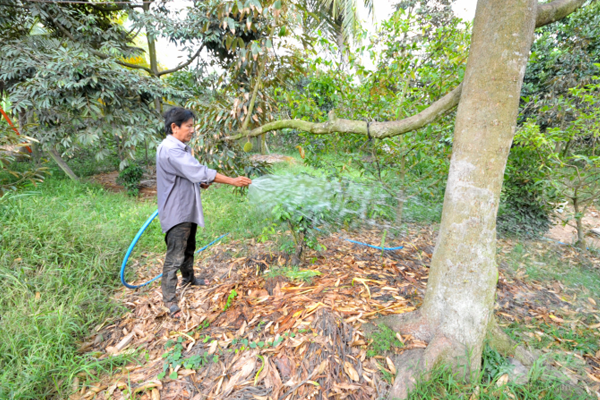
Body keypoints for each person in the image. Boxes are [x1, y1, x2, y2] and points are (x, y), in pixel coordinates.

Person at [156, 107, 251, 318]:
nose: (192, 130)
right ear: (174, 127)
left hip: (185, 207)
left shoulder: (179, 148)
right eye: (188, 126)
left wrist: (200, 183)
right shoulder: (170, 149)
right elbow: (198, 171)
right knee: (175, 255)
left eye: (192, 126)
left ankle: (189, 278)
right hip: (177, 210)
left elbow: (187, 174)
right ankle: (170, 300)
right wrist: (232, 181)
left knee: (189, 247)